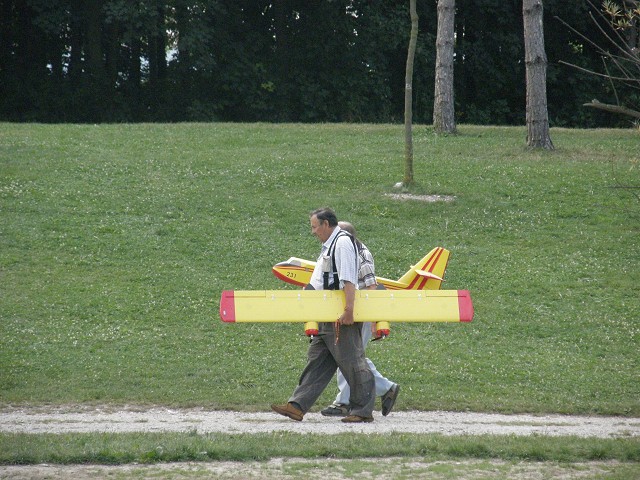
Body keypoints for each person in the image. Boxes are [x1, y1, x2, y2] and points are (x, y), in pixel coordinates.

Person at [271, 208, 376, 423]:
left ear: (326, 224)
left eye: (315, 226)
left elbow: (348, 280)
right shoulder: (329, 246)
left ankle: (363, 411)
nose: (313, 231)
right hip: (325, 311)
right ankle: (297, 406)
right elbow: (319, 279)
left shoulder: (343, 243)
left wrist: (348, 310)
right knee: (317, 360)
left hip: (339, 314)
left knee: (353, 362)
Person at [320, 221, 400, 418]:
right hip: (348, 312)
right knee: (351, 356)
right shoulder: (344, 251)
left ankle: (349, 400)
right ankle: (352, 399)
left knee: (351, 357)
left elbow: (371, 287)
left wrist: (374, 319)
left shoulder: (361, 254)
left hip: (359, 313)